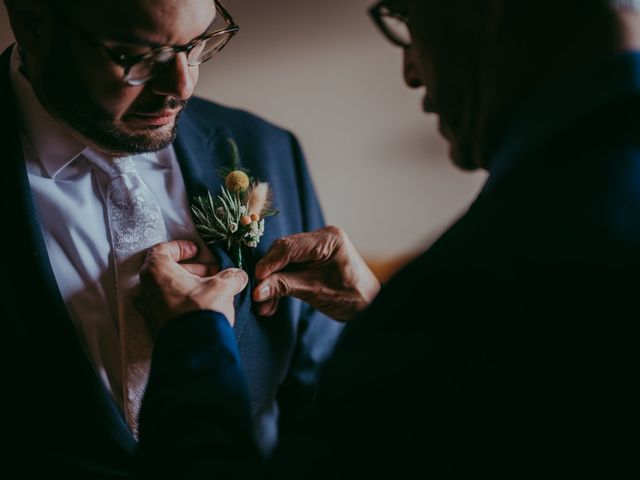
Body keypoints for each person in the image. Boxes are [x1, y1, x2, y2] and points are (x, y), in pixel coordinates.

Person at [135, 0, 640, 478]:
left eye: (407, 15)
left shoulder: (485, 280)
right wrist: (377, 313)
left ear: (489, 10)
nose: (411, 72)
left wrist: (194, 341)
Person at [0, 0, 342, 477]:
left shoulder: (268, 149)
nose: (181, 87)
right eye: (140, 56)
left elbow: (325, 399)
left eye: (198, 43)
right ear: (32, 23)